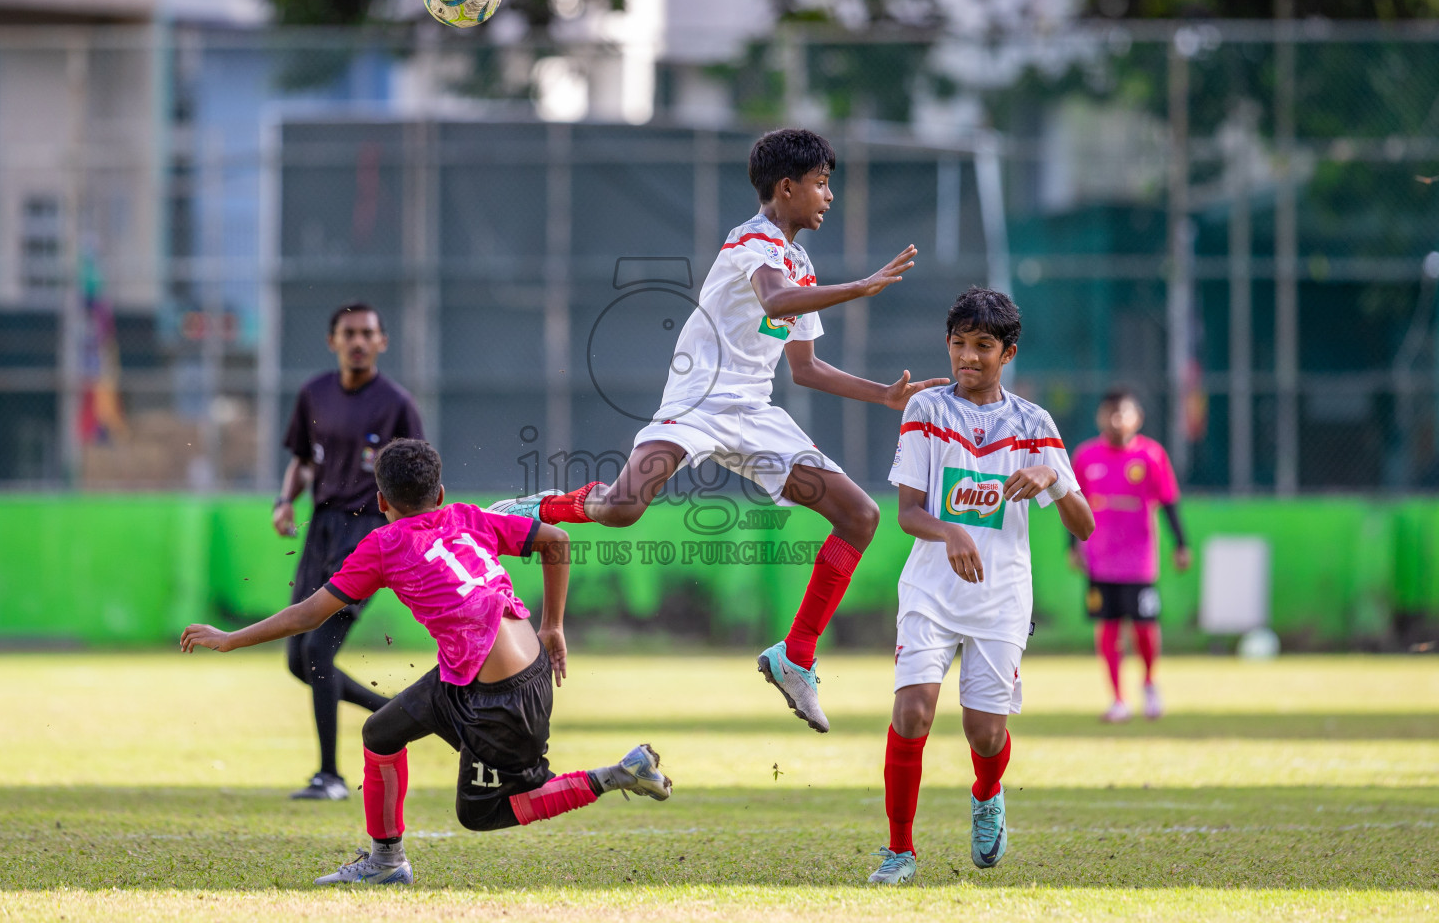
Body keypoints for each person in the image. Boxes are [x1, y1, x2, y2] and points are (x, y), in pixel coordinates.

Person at [489, 128, 945, 733]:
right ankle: (529, 512)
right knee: (624, 508)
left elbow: (804, 368)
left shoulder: (800, 260)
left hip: (755, 417)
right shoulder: (751, 240)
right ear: (787, 187)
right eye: (821, 183)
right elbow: (777, 302)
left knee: (860, 516)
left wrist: (882, 394)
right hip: (699, 404)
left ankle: (796, 658)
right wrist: (859, 288)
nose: (828, 196)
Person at [182, 438, 671, 885]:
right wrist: (553, 626)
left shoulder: (381, 544)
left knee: (483, 812)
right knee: (380, 732)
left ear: (381, 502)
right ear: (440, 493)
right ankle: (386, 863)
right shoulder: (467, 516)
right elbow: (556, 541)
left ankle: (617, 773)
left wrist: (230, 638)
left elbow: (308, 614)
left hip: (500, 700)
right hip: (493, 671)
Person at [868, 288, 1095, 884]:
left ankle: (988, 794)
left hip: (1001, 598)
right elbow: (909, 512)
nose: (968, 357)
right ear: (948, 345)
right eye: (959, 344)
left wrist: (1052, 476)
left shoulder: (1033, 425)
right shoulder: (926, 411)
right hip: (930, 591)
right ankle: (899, 851)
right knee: (913, 711)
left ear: (1007, 352)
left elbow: (1085, 525)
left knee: (984, 731)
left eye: (983, 346)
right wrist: (950, 535)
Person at [274, 303, 424, 800]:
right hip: (320, 529)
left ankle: (330, 777)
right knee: (298, 661)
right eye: (349, 333)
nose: (358, 341)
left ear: (383, 341)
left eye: (367, 333)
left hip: (367, 534)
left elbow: (420, 477)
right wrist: (283, 502)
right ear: (332, 340)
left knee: (318, 650)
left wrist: (412, 537)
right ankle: (400, 709)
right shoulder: (312, 393)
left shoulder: (397, 404)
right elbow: (301, 459)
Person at [1069, 388, 1190, 723]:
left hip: (1138, 562)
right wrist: (1072, 546)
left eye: (1123, 413)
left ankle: (1150, 683)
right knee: (1107, 627)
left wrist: (1181, 544)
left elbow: (1169, 502)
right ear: (1100, 417)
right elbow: (1073, 504)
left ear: (1137, 417)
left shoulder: (1151, 455)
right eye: (1110, 412)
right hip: (1099, 559)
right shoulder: (1086, 456)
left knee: (1144, 627)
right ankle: (1118, 699)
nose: (1116, 419)